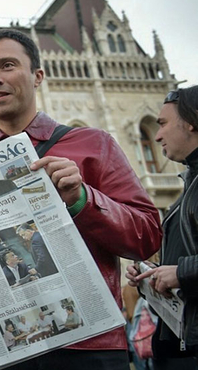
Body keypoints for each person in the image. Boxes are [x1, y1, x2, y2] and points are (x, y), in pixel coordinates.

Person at [0, 29, 161, 369]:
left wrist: (82, 198)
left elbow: (146, 237)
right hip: (6, 349)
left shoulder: (92, 145)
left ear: (38, 75)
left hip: (87, 347)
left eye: (7, 65)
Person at [126, 86, 198, 367]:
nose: (157, 136)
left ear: (191, 121)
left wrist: (181, 272)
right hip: (180, 344)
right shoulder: (189, 184)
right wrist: (151, 278)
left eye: (164, 124)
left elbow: (184, 271)